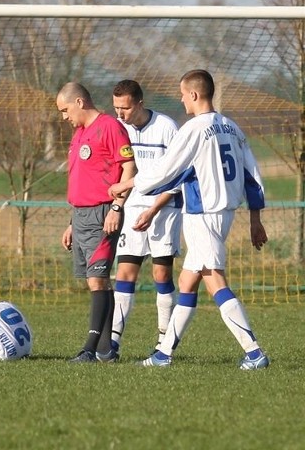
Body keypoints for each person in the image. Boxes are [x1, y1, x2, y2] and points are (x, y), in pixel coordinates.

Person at [108, 69, 270, 370]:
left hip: (203, 214)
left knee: (214, 279)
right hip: (224, 214)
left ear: (194, 95)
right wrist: (255, 219)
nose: (181, 100)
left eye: (183, 94)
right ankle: (163, 354)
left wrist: (126, 184)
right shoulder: (232, 127)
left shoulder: (194, 129)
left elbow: (168, 169)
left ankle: (254, 352)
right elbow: (253, 177)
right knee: (186, 280)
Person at [56, 82, 137, 363]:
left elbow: (129, 167)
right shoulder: (79, 134)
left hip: (103, 213)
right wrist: (71, 223)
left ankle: (89, 350)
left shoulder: (110, 127)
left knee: (97, 280)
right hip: (80, 216)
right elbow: (83, 181)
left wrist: (117, 206)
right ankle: (106, 351)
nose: (64, 117)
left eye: (65, 110)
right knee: (97, 282)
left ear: (79, 102)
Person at [109, 80, 182, 357]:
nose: (120, 114)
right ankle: (113, 342)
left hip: (164, 208)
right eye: (116, 108)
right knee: (125, 273)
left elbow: (177, 175)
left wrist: (152, 211)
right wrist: (119, 206)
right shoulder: (120, 128)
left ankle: (164, 341)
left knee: (161, 274)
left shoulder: (167, 127)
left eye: (125, 108)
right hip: (132, 206)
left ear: (139, 103)